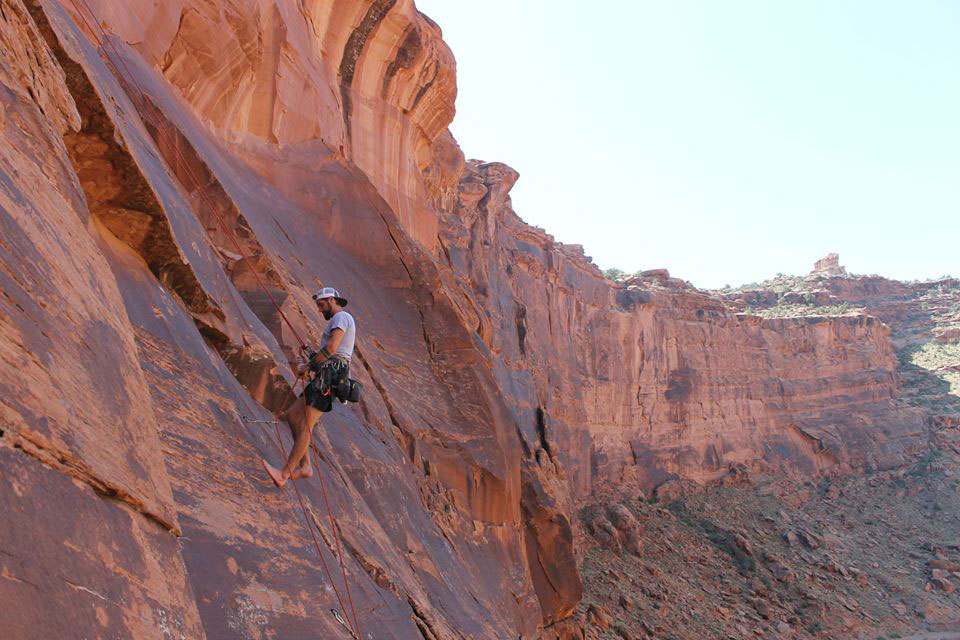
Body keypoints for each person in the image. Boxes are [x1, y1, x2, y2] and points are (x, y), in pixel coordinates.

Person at [262, 287, 356, 488]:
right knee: (293, 416)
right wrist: (313, 357)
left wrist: (308, 366)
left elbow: (332, 349)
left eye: (322, 306)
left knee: (304, 424)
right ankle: (305, 466)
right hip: (326, 374)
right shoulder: (340, 319)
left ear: (331, 300)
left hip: (330, 378)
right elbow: (332, 351)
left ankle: (284, 474)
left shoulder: (341, 317)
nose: (321, 311)